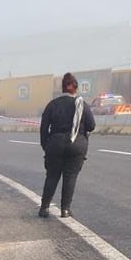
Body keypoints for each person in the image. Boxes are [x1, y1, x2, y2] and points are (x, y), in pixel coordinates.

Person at [38, 73, 95, 218]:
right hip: (76, 144)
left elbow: (44, 127)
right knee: (70, 177)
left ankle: (44, 208)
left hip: (55, 143)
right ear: (76, 88)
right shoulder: (82, 105)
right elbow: (91, 126)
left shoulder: (52, 105)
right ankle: (65, 209)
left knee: (52, 176)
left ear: (62, 88)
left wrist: (46, 145)